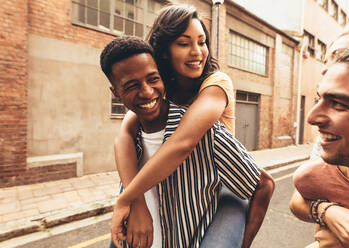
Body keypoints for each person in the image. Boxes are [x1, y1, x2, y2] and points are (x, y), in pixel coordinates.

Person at [111, 4, 273, 248]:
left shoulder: (216, 83)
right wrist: (135, 202)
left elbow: (182, 143)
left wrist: (126, 198)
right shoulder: (159, 86)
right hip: (186, 184)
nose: (197, 52)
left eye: (202, 41)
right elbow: (124, 134)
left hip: (224, 182)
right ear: (164, 51)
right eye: (185, 43)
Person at [289, 24, 349, 248]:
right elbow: (304, 193)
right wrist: (328, 213)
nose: (312, 118)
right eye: (329, 59)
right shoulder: (330, 152)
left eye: (338, 103)